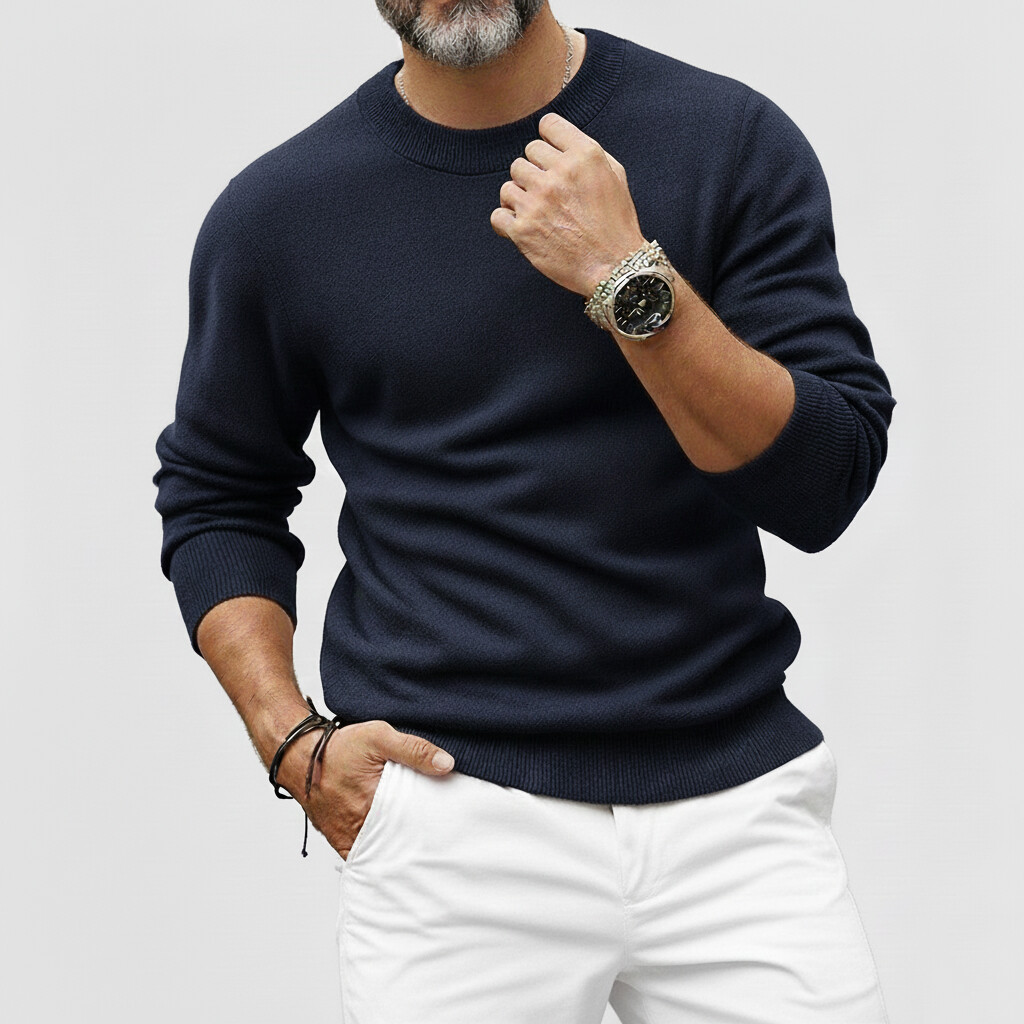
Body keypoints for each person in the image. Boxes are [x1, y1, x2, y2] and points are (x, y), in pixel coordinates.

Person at [152, 2, 896, 1021]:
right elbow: (219, 495)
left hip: (737, 811)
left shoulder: (724, 140)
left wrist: (627, 276)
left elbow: (823, 484)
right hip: (451, 823)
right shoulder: (281, 211)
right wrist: (292, 744)